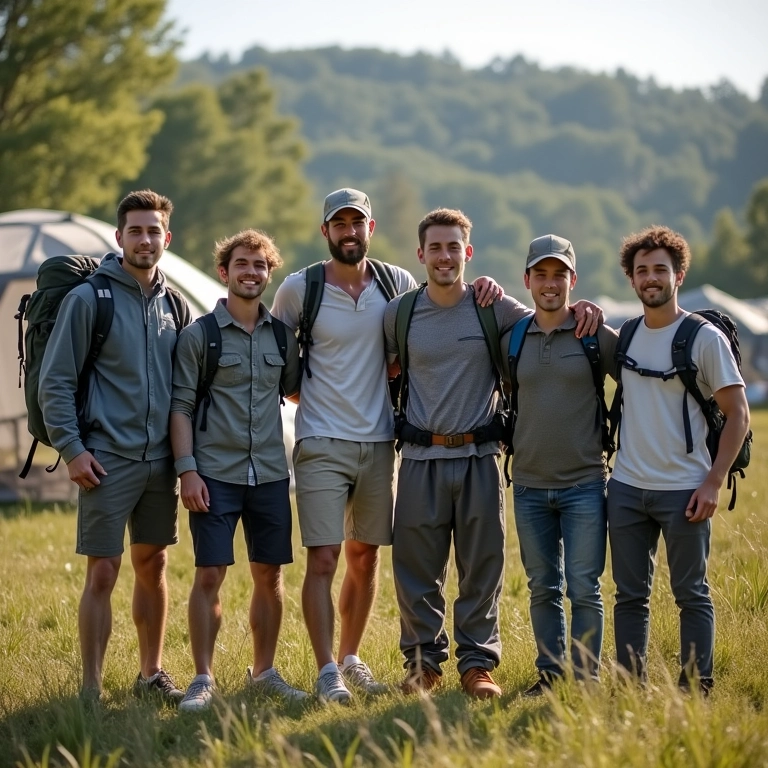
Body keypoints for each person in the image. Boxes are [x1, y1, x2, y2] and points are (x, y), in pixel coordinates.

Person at [270, 188, 501, 703]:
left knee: (366, 557)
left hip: (380, 441)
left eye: (358, 222)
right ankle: (326, 671)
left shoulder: (396, 284)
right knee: (324, 558)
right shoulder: (298, 289)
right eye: (339, 223)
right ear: (325, 231)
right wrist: (321, 398)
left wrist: (485, 284)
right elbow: (281, 366)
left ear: (370, 228)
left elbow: (430, 321)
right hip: (321, 439)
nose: (349, 231)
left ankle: (351, 658)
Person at [384, 210, 602, 698]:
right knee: (416, 571)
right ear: (420, 254)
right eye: (435, 248)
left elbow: (550, 315)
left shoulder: (495, 307)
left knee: (482, 570)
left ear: (468, 252)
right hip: (419, 458)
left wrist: (585, 308)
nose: (444, 256)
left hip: (480, 456)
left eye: (453, 247)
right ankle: (422, 665)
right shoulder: (398, 313)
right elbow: (381, 370)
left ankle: (477, 665)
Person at [39, 189, 189, 703]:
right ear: (119, 236)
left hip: (161, 464)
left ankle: (151, 675)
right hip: (105, 460)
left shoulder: (175, 304)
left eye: (154, 231)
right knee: (103, 571)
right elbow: (56, 382)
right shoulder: (89, 300)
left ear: (167, 238)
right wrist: (72, 449)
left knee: (154, 566)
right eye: (136, 231)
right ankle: (91, 688)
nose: (145, 240)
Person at [608, 225, 750, 694]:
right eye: (642, 270)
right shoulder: (626, 334)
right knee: (629, 596)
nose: (651, 278)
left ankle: (695, 688)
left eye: (660, 269)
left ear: (679, 275)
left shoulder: (704, 338)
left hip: (685, 489)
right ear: (632, 278)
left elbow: (739, 414)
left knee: (691, 594)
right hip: (626, 488)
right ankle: (630, 688)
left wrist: (713, 481)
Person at [170, 229, 305, 712]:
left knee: (270, 575)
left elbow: (295, 392)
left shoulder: (282, 337)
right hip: (214, 475)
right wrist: (187, 471)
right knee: (210, 574)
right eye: (242, 264)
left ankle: (264, 672)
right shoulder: (199, 336)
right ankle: (202, 679)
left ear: (270, 274)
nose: (251, 272)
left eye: (260, 265)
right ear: (224, 272)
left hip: (269, 472)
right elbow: (181, 407)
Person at [501, 234, 617, 696]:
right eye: (541, 275)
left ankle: (586, 679)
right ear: (527, 280)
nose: (550, 284)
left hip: (585, 484)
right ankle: (550, 676)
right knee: (543, 587)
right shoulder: (512, 338)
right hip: (528, 486)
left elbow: (639, 383)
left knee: (585, 587)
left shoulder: (596, 335)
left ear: (573, 280)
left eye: (559, 275)